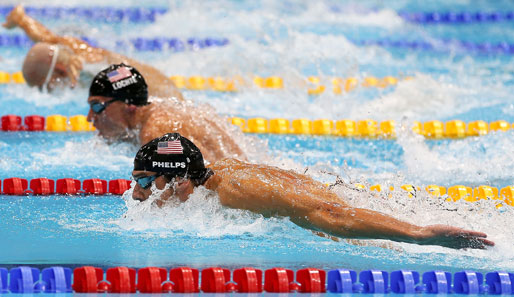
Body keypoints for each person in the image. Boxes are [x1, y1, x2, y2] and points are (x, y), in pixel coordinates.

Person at [130, 132, 495, 250]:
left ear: (176, 177)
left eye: (145, 182)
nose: (138, 195)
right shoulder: (216, 174)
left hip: (358, 233)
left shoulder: (235, 191)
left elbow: (331, 215)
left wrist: (422, 234)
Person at [3, 5, 182, 99]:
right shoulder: (66, 53)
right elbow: (48, 40)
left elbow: (94, 63)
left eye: (47, 86)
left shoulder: (86, 62)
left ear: (60, 69)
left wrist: (77, 61)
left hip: (163, 95)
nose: (49, 92)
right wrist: (23, 22)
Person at [87, 63, 246, 162]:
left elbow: (202, 179)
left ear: (129, 105)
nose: (90, 118)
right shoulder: (159, 110)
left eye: (97, 106)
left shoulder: (156, 133)